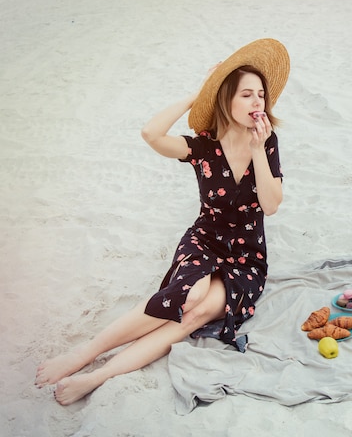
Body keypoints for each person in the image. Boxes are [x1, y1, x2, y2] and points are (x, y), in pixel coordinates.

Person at [34, 38, 290, 405]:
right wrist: (200, 93)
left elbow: (271, 205)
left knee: (197, 314)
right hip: (205, 240)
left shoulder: (266, 142)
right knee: (191, 294)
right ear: (226, 100)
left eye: (260, 95)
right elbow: (151, 134)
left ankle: (99, 375)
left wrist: (256, 151)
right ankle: (84, 353)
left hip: (247, 258)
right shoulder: (203, 147)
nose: (256, 103)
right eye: (246, 95)